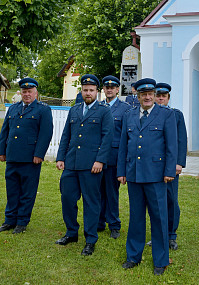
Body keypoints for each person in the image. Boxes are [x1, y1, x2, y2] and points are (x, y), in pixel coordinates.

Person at [117, 78, 177, 276]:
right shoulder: (129, 115)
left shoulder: (166, 115)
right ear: (138, 96)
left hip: (156, 175)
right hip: (134, 174)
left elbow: (172, 146)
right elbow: (124, 145)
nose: (148, 97)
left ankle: (160, 259)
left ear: (154, 94)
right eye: (143, 94)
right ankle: (133, 256)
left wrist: (169, 171)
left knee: (159, 218)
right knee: (136, 217)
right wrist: (121, 171)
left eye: (151, 94)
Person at [55, 74, 114, 256]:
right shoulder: (74, 110)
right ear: (81, 91)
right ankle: (71, 233)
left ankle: (90, 239)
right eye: (85, 90)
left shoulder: (104, 111)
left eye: (91, 90)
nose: (88, 93)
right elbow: (66, 135)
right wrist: (60, 157)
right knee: (67, 199)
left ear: (97, 91)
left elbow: (107, 138)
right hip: (71, 163)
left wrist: (100, 160)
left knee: (91, 202)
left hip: (91, 165)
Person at [0, 78, 53, 234]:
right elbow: (5, 131)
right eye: (24, 91)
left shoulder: (43, 110)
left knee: (27, 192)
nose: (27, 94)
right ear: (20, 92)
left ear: (36, 92)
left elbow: (46, 134)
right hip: (13, 156)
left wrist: (39, 154)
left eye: (30, 91)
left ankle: (22, 222)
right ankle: (9, 220)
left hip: (30, 158)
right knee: (12, 190)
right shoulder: (13, 108)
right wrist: (1, 151)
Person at [154, 82, 187, 250]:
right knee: (156, 201)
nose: (160, 99)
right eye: (158, 96)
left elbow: (181, 140)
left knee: (171, 200)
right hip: (154, 166)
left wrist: (179, 163)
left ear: (168, 98)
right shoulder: (150, 115)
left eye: (163, 96)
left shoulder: (176, 115)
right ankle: (158, 234)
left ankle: (171, 235)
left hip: (171, 166)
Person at [98, 75, 130, 238]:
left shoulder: (125, 108)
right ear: (103, 89)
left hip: (113, 157)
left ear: (117, 89)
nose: (109, 89)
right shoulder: (97, 106)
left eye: (113, 87)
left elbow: (126, 136)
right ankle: (99, 221)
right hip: (97, 157)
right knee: (97, 190)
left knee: (111, 191)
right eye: (106, 87)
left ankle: (114, 224)